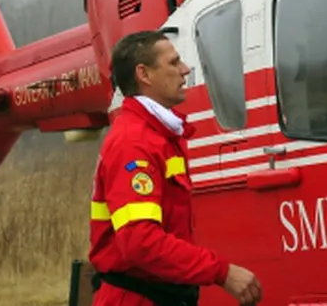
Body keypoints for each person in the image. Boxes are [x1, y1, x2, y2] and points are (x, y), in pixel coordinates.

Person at [89, 30, 262, 306]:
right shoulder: (134, 143)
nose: (185, 70)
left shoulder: (160, 136)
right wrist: (221, 272)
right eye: (173, 63)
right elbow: (139, 241)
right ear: (144, 74)